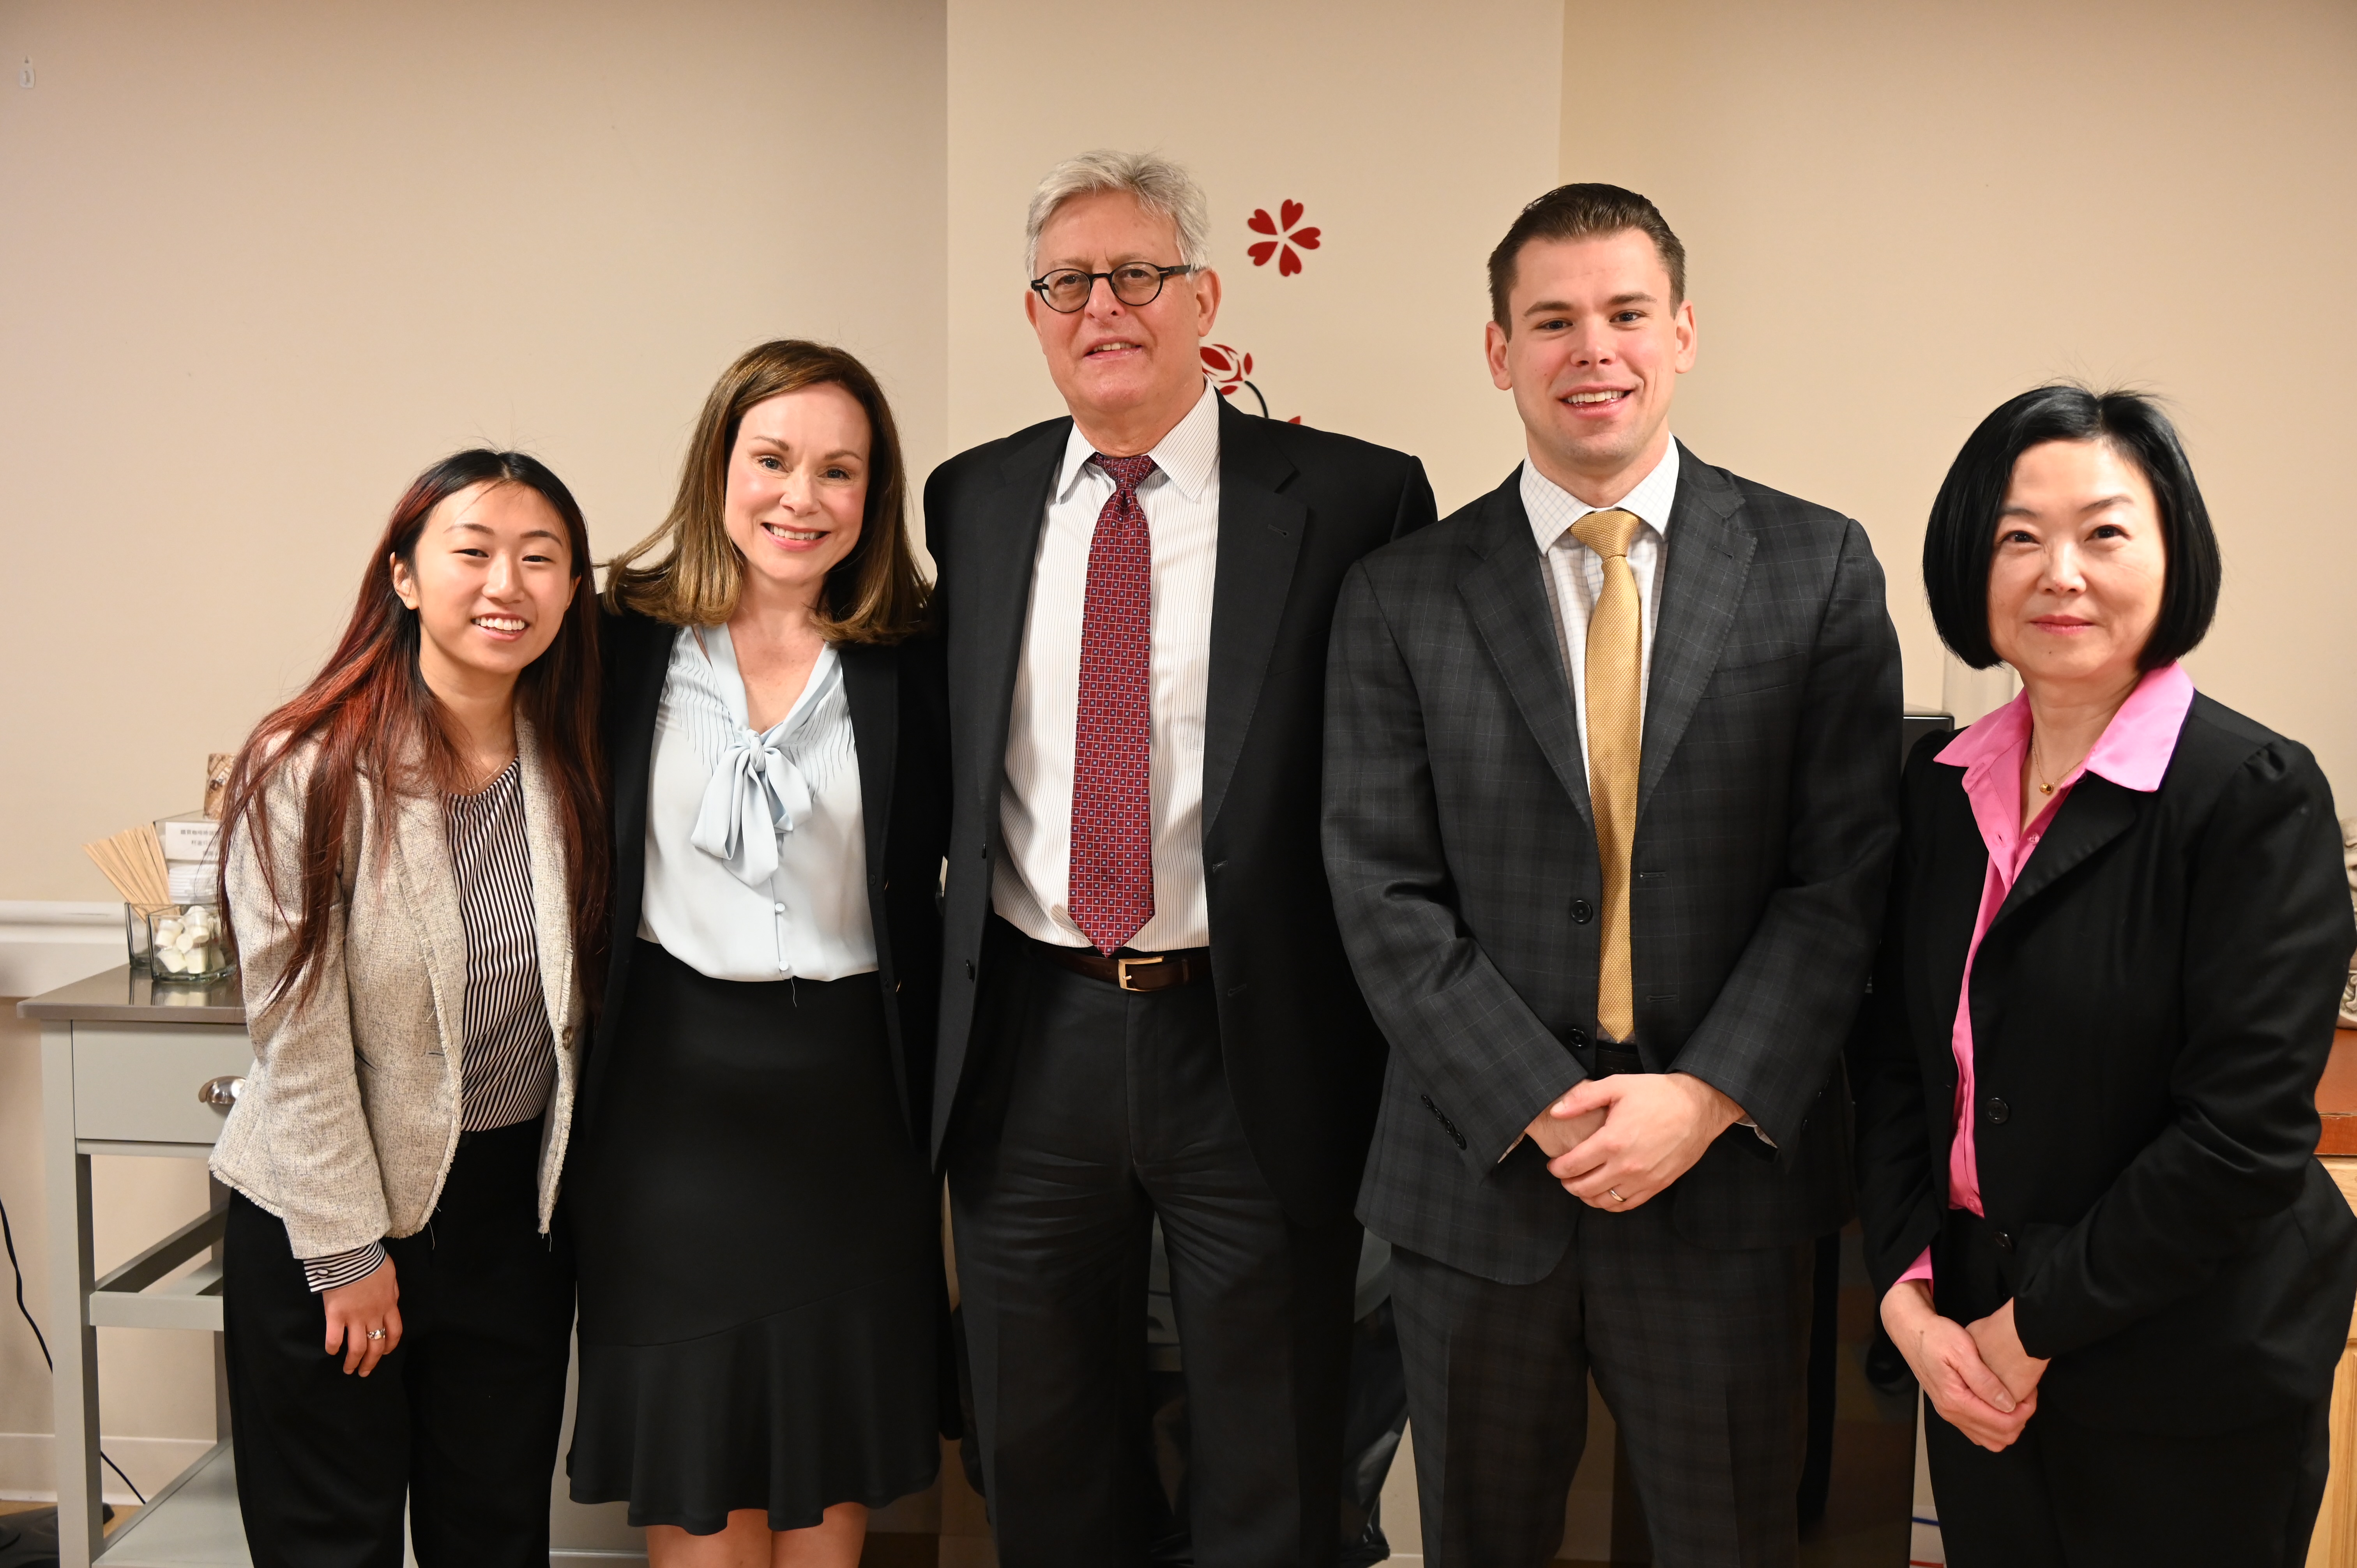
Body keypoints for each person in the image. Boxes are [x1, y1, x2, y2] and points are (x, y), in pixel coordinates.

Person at [1322, 183, 1902, 1566]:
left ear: (1684, 331)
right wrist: (1546, 1109)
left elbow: (1844, 878)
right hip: (1484, 1182)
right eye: (1554, 320)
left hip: (1728, 1182)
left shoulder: (1814, 568)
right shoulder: (1401, 593)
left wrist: (1701, 1102)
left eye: (1627, 314)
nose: (1595, 350)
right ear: (1499, 350)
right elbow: (1381, 890)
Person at [924, 149, 1437, 1566]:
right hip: (1034, 1037)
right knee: (1040, 1447)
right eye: (1068, 282)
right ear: (1035, 315)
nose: (1105, 305)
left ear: (1204, 297)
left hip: (1254, 1039)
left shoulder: (1353, 499)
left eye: (1138, 274)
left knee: (1273, 1449)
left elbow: (1405, 782)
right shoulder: (969, 502)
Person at [1852, 385, 2357, 1566]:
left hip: (2189, 1368)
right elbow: (1894, 1066)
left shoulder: (2254, 795)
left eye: (2105, 531)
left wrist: (2027, 1333)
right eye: (2018, 536)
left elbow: (2239, 1141)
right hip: (1973, 1345)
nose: (2059, 572)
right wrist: (1909, 1298)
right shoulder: (1939, 789)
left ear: (2174, 552)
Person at [565, 339, 949, 1568]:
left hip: (848, 1113)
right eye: (773, 460)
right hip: (666, 1107)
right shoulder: (617, 641)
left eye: (839, 472)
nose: (802, 496)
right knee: (700, 1472)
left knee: (820, 1466)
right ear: (718, 467)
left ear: (873, 497)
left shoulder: (918, 656)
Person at [211, 449, 607, 1567]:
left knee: (493, 1537)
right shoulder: (309, 763)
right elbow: (295, 1042)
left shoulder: (575, 755)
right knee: (333, 1543)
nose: (506, 585)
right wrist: (347, 1253)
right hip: (328, 1215)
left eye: (541, 559)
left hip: (508, 1222)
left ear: (574, 589)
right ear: (403, 575)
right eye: (472, 552)